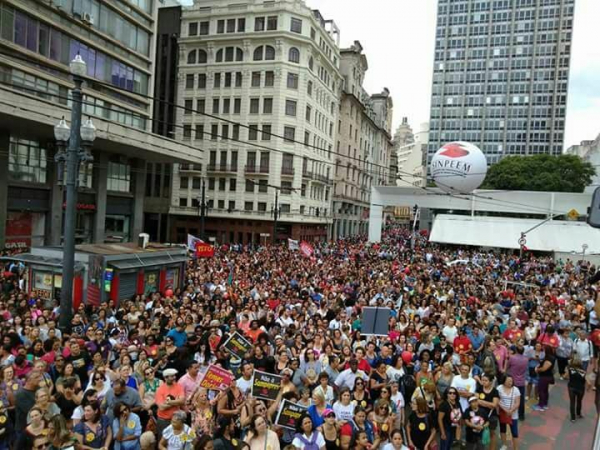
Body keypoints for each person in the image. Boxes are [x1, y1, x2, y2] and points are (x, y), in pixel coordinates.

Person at [155, 368, 185, 437]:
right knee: (163, 439)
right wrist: (176, 401)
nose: (174, 378)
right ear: (165, 378)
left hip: (176, 419)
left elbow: (182, 401)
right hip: (164, 420)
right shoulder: (160, 390)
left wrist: (168, 402)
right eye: (172, 376)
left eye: (174, 376)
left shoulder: (178, 386)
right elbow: (161, 407)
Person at [497, 376, 520, 450]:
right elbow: (497, 400)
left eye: (511, 381)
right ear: (504, 381)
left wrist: (511, 410)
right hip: (502, 413)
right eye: (508, 381)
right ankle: (504, 445)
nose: (510, 382)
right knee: (502, 429)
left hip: (513, 414)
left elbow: (517, 402)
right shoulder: (499, 388)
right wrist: (505, 410)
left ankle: (515, 448)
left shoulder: (516, 389)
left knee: (515, 432)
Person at [533, 345, 555, 411]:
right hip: (547, 376)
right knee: (545, 390)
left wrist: (537, 369)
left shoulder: (549, 358)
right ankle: (545, 404)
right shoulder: (551, 357)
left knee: (541, 391)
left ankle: (541, 405)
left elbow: (544, 369)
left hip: (544, 377)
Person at [565, 358, 587, 422]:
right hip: (580, 388)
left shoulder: (570, 369)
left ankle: (573, 418)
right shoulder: (582, 371)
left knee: (572, 402)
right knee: (579, 401)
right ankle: (578, 414)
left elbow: (565, 376)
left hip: (571, 387)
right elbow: (586, 381)